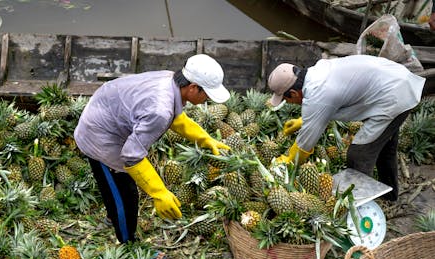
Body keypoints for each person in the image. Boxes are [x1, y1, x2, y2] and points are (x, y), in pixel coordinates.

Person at [73, 54, 230, 243]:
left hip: (107, 109)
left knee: (118, 186)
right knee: (125, 194)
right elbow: (132, 157)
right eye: (207, 94)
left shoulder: (170, 80)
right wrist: (159, 192)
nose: (207, 100)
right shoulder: (159, 110)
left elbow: (178, 119)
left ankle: (112, 216)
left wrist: (206, 140)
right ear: (193, 87)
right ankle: (127, 242)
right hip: (99, 135)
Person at [268, 55, 425, 201]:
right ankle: (390, 197)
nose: (288, 103)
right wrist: (303, 121)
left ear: (294, 93)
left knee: (359, 155)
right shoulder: (318, 72)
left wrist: (289, 161)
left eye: (285, 99)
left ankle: (359, 207)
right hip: (396, 79)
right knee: (384, 146)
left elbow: (305, 145)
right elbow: (329, 103)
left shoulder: (317, 95)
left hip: (393, 96)